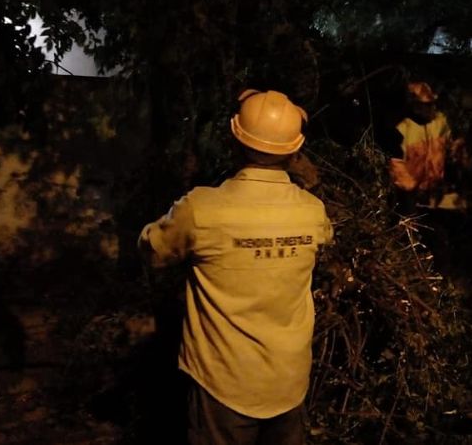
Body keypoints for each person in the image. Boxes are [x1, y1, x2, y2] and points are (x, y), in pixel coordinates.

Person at [138, 89, 333, 445]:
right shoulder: (313, 211)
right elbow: (324, 241)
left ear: (234, 140)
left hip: (223, 383)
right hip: (288, 380)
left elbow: (153, 251)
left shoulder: (200, 209)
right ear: (295, 151)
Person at [386, 81, 468, 213]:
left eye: (433, 104)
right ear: (415, 106)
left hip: (436, 193)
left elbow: (451, 147)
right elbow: (396, 166)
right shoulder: (402, 129)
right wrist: (412, 189)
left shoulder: (439, 123)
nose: (433, 108)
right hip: (411, 198)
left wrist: (457, 148)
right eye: (428, 105)